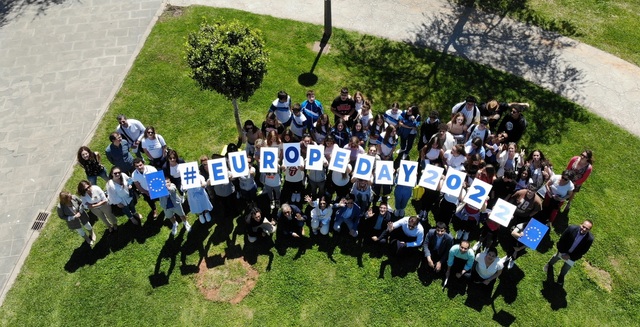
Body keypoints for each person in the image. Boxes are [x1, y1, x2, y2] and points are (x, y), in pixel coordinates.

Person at [544, 220, 594, 286]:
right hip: (563, 250)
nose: (584, 229)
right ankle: (550, 264)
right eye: (583, 226)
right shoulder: (571, 228)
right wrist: (562, 252)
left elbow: (583, 251)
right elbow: (562, 240)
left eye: (587, 228)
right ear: (580, 224)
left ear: (589, 230)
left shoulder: (590, 239)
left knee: (566, 268)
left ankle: (561, 276)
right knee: (556, 257)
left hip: (572, 256)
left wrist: (570, 256)